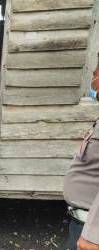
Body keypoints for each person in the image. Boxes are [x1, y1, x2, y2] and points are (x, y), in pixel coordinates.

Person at [63, 59, 99, 250]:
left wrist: (94, 233)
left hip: (90, 230)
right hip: (82, 221)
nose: (93, 78)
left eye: (95, 73)